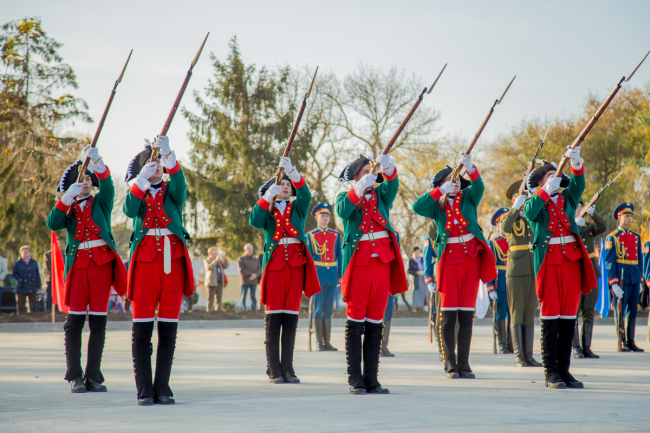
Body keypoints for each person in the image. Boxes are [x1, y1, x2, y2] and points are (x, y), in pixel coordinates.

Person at [46, 147, 128, 393]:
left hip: (101, 266)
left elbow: (109, 186)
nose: (85, 182)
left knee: (98, 323)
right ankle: (75, 375)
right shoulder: (68, 207)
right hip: (79, 267)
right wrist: (65, 199)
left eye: (89, 178)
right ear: (73, 184)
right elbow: (53, 223)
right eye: (81, 178)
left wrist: (98, 162)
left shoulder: (101, 201)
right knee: (74, 323)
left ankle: (93, 375)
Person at [123, 136, 195, 405]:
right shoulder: (138, 192)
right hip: (144, 264)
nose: (157, 167)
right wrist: (140, 182)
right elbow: (129, 210)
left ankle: (162, 387)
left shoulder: (172, 191)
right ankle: (144, 388)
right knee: (141, 328)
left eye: (159, 163)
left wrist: (169, 155)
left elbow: (180, 185)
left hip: (172, 263)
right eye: (151, 164)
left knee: (168, 328)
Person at [413, 156, 497, 380]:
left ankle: (464, 364)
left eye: (458, 178)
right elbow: (417, 206)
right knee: (449, 316)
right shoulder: (436, 206)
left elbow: (479, 187)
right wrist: (439, 191)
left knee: (466, 316)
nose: (456, 181)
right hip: (448, 263)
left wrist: (470, 168)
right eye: (450, 179)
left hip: (470, 260)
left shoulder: (468, 197)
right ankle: (450, 364)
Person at [523, 148, 597, 389]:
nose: (554, 177)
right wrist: (546, 190)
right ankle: (551, 372)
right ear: (541, 182)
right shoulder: (536, 201)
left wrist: (576, 162)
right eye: (549, 175)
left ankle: (564, 370)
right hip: (549, 264)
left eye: (556, 175)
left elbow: (578, 184)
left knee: (568, 316)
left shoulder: (568, 199)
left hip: (571, 262)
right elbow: (529, 211)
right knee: (550, 316)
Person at [336, 153, 408, 395]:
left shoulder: (381, 195)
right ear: (356, 176)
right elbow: (343, 211)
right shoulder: (344, 196)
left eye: (371, 171)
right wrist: (359, 188)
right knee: (356, 321)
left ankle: (372, 379)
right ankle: (355, 379)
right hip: (358, 265)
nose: (370, 174)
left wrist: (389, 168)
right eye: (365, 172)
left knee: (376, 321)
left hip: (382, 264)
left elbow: (392, 184)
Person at [249, 157, 321, 384]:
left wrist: (292, 171)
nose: (286, 186)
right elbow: (254, 220)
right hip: (275, 269)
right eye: (282, 184)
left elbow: (306, 194)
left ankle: (288, 369)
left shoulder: (297, 208)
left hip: (295, 269)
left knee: (290, 321)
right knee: (273, 321)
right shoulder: (267, 210)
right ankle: (273, 369)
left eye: (289, 185)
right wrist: (266, 198)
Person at [501, 180, 542, 368]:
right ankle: (518, 356)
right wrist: (515, 208)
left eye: (526, 196)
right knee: (517, 312)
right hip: (516, 269)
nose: (524, 199)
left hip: (533, 268)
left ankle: (529, 355)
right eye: (521, 196)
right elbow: (504, 228)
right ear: (514, 199)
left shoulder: (532, 217)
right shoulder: (509, 216)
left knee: (529, 313)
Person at [605, 202, 645, 352]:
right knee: (620, 310)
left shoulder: (636, 237)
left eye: (630, 216)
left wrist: (640, 279)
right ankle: (621, 341)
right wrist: (613, 283)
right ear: (619, 218)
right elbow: (609, 262)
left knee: (632, 310)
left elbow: (639, 259)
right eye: (626, 216)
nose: (629, 218)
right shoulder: (612, 237)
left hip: (634, 277)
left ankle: (630, 341)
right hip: (621, 278)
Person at [305, 202, 342, 351]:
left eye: (327, 215)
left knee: (328, 309)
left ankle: (327, 342)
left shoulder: (335, 235)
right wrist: (308, 278)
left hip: (332, 275)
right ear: (316, 217)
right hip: (318, 275)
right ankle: (319, 342)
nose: (325, 218)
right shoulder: (310, 235)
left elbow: (339, 256)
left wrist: (340, 274)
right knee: (318, 308)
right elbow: (308, 259)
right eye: (322, 215)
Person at [573, 202, 607, 358]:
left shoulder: (589, 226)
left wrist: (594, 214)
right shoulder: (568, 226)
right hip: (575, 270)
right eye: (577, 207)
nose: (580, 209)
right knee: (574, 311)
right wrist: (575, 225)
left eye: (582, 207)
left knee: (589, 310)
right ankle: (576, 347)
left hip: (591, 270)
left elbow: (602, 227)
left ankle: (586, 347)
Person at [487, 208, 512, 355]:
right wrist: (490, 286)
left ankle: (510, 343)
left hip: (513, 282)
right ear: (498, 224)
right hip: (500, 282)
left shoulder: (513, 240)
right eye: (503, 222)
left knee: (512, 314)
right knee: (501, 313)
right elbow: (489, 266)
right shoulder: (494, 243)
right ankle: (501, 343)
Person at [423, 222, 442, 360]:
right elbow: (426, 259)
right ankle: (438, 339)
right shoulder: (429, 238)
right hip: (435, 277)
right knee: (435, 311)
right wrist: (428, 280)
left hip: (445, 275)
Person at [13, 246, 41, 315]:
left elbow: (37, 274)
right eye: (24, 252)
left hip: (32, 285)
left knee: (33, 304)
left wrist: (39, 285)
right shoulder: (18, 263)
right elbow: (14, 273)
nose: (25, 253)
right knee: (21, 304)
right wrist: (20, 280)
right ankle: (21, 317)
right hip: (22, 286)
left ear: (30, 253)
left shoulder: (33, 262)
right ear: (21, 253)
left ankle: (32, 316)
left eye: (27, 252)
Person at [204, 247, 229, 312]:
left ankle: (218, 312)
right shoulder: (207, 260)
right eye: (214, 252)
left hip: (219, 282)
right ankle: (209, 312)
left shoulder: (219, 261)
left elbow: (225, 266)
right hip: (211, 282)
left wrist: (225, 259)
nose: (215, 253)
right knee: (210, 299)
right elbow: (209, 268)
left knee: (219, 299)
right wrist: (216, 261)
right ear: (210, 253)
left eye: (216, 252)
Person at [238, 244, 261, 311]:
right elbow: (241, 270)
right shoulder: (241, 259)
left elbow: (260, 269)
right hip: (245, 281)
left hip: (254, 281)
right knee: (243, 296)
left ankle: (253, 310)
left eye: (251, 249)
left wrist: (255, 275)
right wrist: (251, 275)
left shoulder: (256, 259)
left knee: (253, 296)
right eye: (249, 249)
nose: (250, 250)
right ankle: (243, 310)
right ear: (245, 250)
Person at [408, 247, 427, 311]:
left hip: (423, 278)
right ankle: (416, 308)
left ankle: (426, 306)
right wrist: (416, 272)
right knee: (416, 293)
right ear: (413, 252)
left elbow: (425, 266)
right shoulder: (411, 260)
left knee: (425, 291)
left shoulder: (422, 259)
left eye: (418, 251)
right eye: (416, 251)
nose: (417, 253)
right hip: (416, 279)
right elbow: (408, 270)